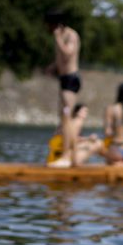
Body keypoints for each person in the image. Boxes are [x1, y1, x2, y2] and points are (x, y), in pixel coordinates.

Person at [45, 10, 81, 164]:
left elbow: (68, 53)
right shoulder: (61, 36)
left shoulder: (70, 35)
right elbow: (62, 59)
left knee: (67, 118)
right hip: (64, 79)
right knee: (63, 118)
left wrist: (58, 38)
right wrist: (53, 67)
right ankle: (68, 154)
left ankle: (67, 156)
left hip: (71, 80)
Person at [49, 103, 101, 167]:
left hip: (54, 157)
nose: (86, 113)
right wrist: (88, 138)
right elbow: (73, 141)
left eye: (87, 111)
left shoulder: (67, 122)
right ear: (77, 112)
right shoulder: (77, 122)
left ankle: (112, 158)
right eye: (84, 111)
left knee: (93, 144)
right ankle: (112, 159)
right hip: (62, 157)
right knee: (97, 143)